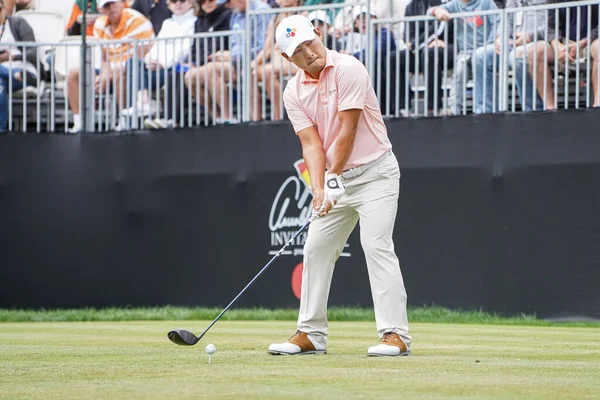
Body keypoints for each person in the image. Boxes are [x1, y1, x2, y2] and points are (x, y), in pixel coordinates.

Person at [267, 15, 411, 357]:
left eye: (309, 43)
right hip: (337, 180)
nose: (308, 53)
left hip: (376, 174)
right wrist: (320, 188)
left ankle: (396, 335)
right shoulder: (293, 92)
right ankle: (311, 334)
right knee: (315, 248)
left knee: (376, 245)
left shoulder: (349, 68)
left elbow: (347, 130)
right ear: (288, 59)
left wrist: (331, 178)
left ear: (319, 34)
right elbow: (311, 144)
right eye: (297, 51)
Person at [67, 0, 155, 133]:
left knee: (121, 73)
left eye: (114, 3)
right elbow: (104, 56)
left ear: (121, 3)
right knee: (74, 74)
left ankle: (124, 122)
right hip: (110, 69)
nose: (112, 8)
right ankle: (78, 124)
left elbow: (138, 59)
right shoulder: (100, 24)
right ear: (101, 9)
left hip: (134, 69)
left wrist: (108, 75)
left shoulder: (137, 21)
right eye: (107, 6)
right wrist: (103, 76)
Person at [144, 0, 232, 129]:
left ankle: (172, 119)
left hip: (209, 63)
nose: (207, 3)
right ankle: (161, 114)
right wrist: (149, 60)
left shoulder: (223, 16)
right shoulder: (198, 21)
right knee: (176, 72)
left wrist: (165, 63)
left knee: (179, 73)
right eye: (203, 1)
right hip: (194, 63)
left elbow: (189, 48)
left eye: (211, 0)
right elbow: (195, 48)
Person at [184, 0, 271, 123]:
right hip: (234, 61)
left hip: (253, 61)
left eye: (229, 3)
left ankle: (228, 117)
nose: (227, 6)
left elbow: (262, 48)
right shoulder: (235, 14)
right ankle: (218, 117)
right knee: (190, 77)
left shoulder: (260, 10)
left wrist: (231, 55)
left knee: (211, 69)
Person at [122, 0, 196, 118]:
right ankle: (144, 102)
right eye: (174, 1)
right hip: (157, 67)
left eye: (182, 0)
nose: (178, 4)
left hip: (174, 69)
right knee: (133, 63)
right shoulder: (167, 23)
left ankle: (145, 105)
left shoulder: (194, 22)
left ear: (190, 3)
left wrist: (162, 63)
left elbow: (185, 49)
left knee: (137, 76)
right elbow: (156, 46)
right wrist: (149, 61)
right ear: (169, 5)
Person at [472, 0, 548, 113]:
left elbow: (555, 23)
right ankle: (484, 114)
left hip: (542, 41)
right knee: (480, 56)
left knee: (517, 56)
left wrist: (531, 36)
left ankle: (532, 112)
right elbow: (507, 18)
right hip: (514, 43)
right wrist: (500, 37)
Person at [429, 0, 499, 115]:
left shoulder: (486, 2)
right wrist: (436, 10)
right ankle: (453, 110)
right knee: (459, 71)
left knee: (480, 63)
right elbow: (429, 11)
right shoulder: (455, 4)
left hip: (484, 50)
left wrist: (490, 44)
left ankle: (482, 110)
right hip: (465, 52)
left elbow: (497, 23)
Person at [526, 0, 599, 109]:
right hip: (564, 42)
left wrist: (581, 44)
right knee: (535, 51)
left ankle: (598, 105)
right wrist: (558, 47)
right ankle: (550, 109)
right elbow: (551, 27)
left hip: (591, 41)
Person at [251, 0, 302, 121]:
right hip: (277, 60)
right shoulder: (275, 19)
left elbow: (296, 42)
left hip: (296, 59)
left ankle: (278, 116)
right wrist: (255, 62)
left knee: (266, 72)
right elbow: (267, 47)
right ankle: (254, 118)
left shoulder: (302, 15)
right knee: (251, 73)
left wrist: (276, 48)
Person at [0, 0, 37, 132]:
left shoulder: (18, 23)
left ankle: (2, 129)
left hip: (23, 69)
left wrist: (12, 57)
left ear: (4, 9)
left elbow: (34, 52)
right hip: (12, 76)